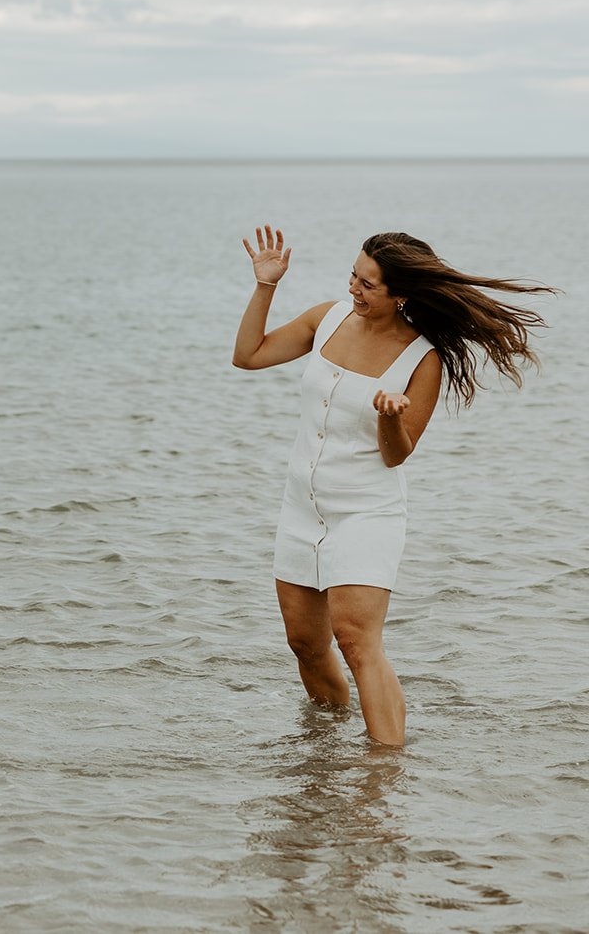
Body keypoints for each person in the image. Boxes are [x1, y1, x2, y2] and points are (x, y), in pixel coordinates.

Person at [232, 226, 553, 745]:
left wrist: (388, 416)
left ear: (400, 294)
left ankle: (384, 772)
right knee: (305, 644)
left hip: (366, 512)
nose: (354, 290)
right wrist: (265, 286)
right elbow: (248, 356)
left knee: (356, 642)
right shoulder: (326, 317)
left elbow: (396, 453)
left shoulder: (422, 359)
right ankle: (324, 752)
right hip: (301, 507)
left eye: (368, 285)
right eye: (353, 277)